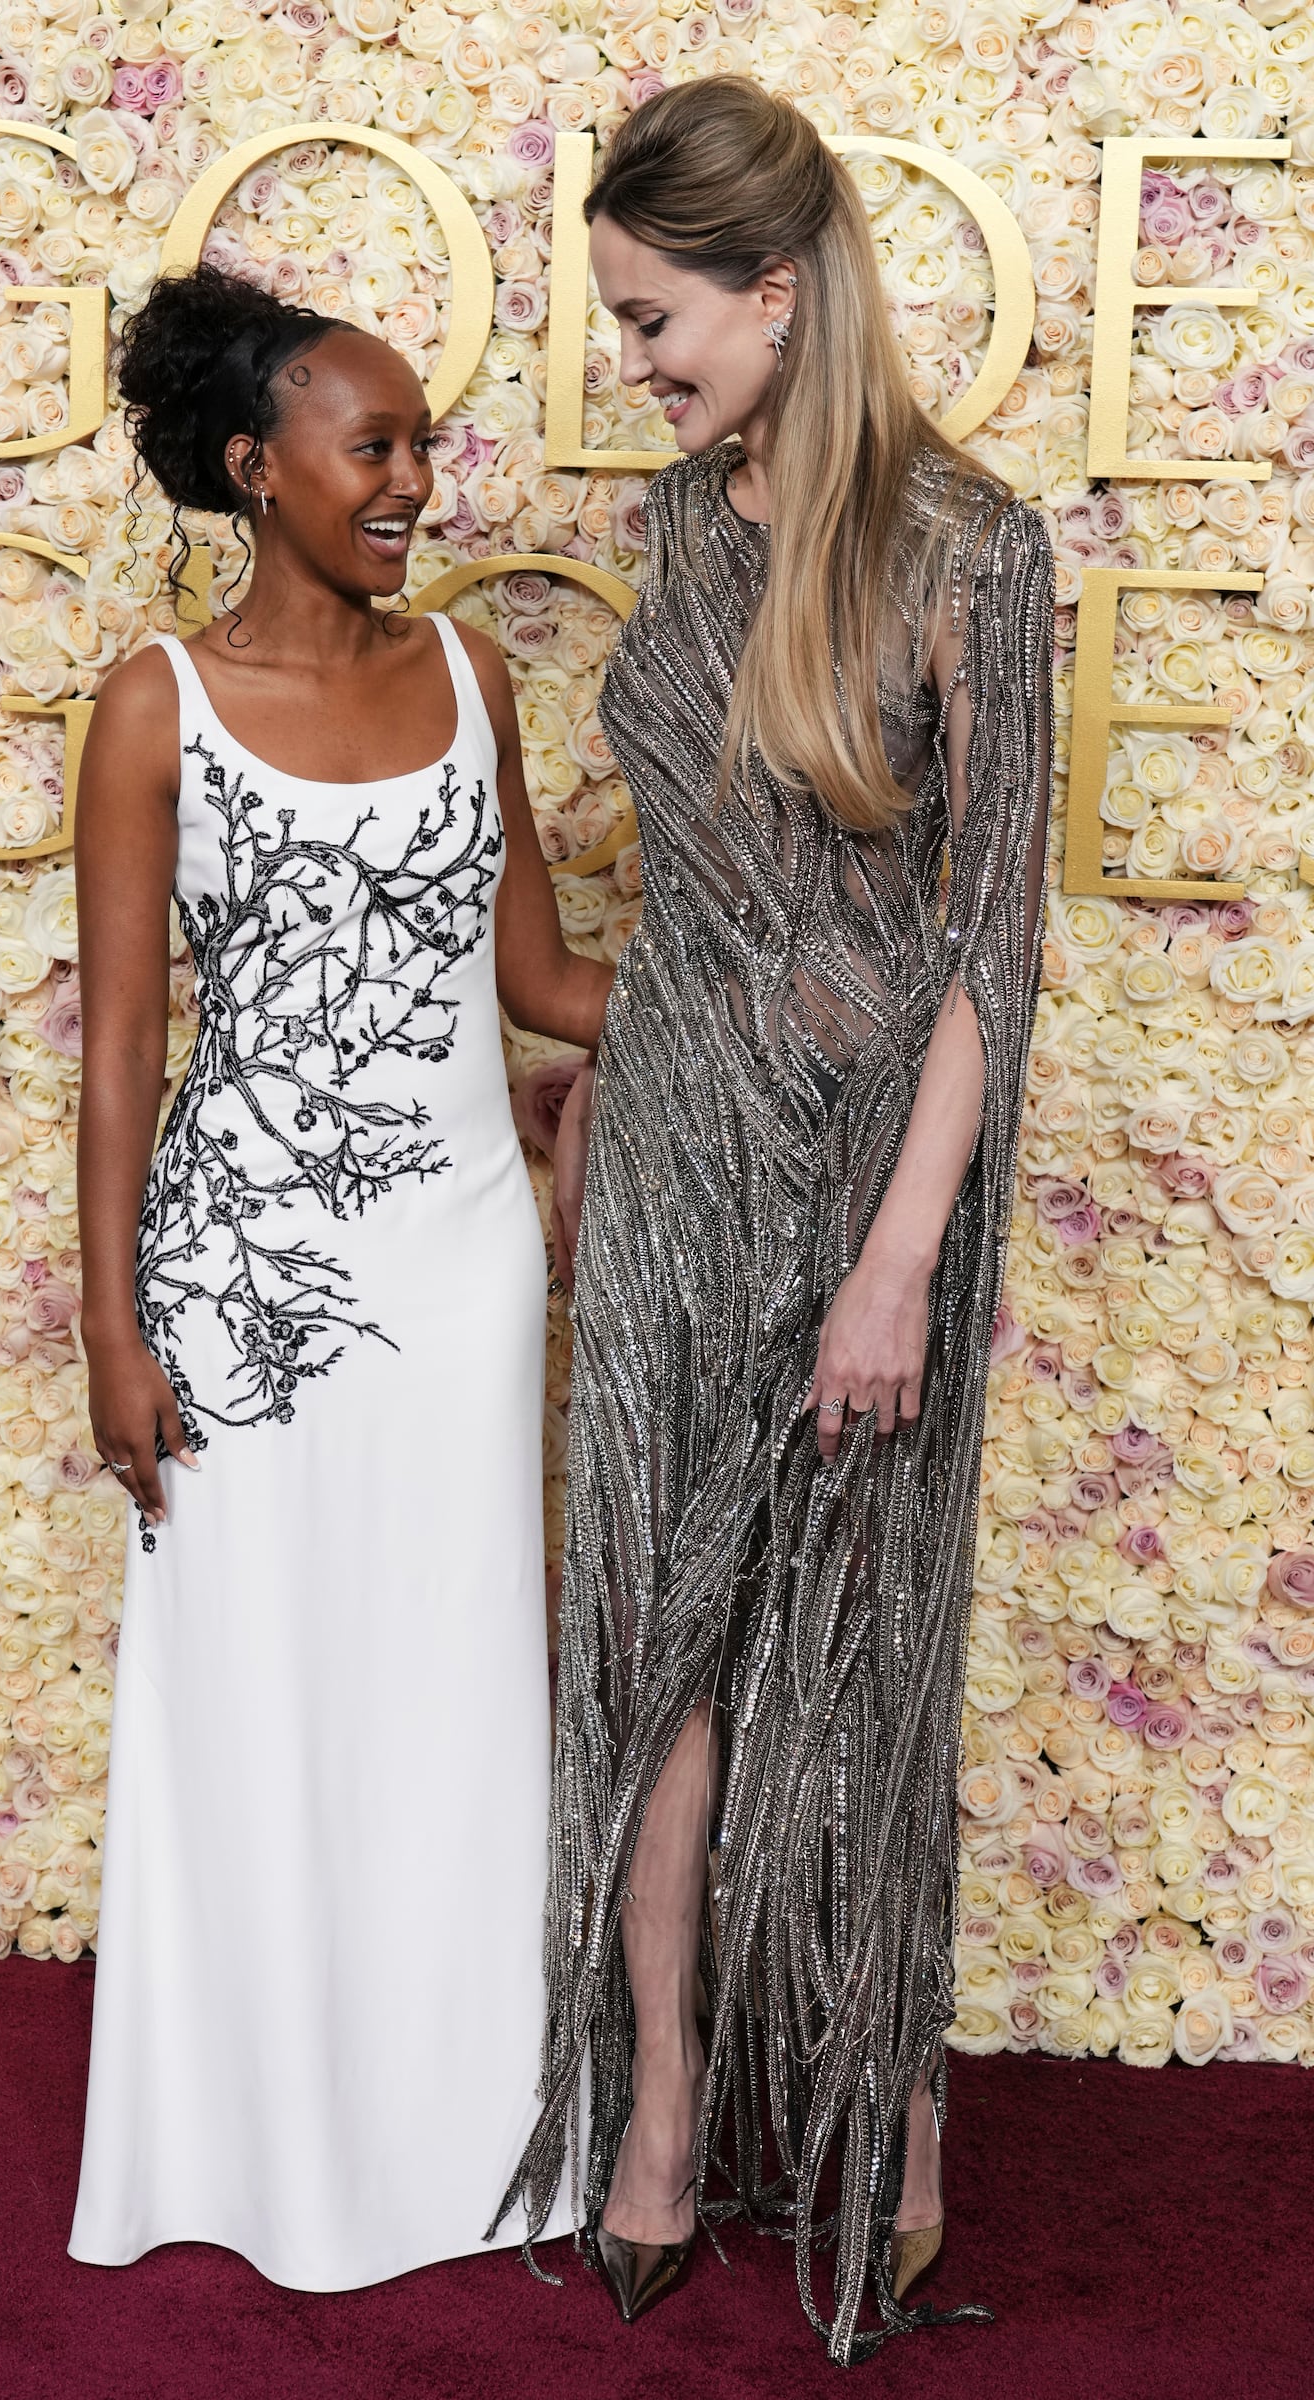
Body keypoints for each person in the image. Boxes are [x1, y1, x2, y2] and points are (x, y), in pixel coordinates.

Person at [495, 79, 1054, 2362]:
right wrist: (599, 1071)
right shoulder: (678, 517)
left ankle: (890, 2130)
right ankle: (657, 2128)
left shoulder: (969, 551)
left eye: (652, 319)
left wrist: (899, 1259)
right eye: (617, 319)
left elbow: (984, 951)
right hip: (661, 1165)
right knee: (649, 1650)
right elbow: (716, 868)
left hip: (863, 1179)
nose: (629, 359)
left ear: (776, 288)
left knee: (851, 1658)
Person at [67, 264, 610, 2288]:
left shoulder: (471, 675)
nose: (412, 482)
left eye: (418, 446)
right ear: (250, 467)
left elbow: (539, 979)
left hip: (458, 1269)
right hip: (237, 1293)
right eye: (372, 447)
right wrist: (113, 1329)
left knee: (451, 1687)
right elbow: (126, 1041)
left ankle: (469, 2138)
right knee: (255, 1692)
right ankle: (250, 2142)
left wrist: (754, 1031)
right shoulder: (155, 703)